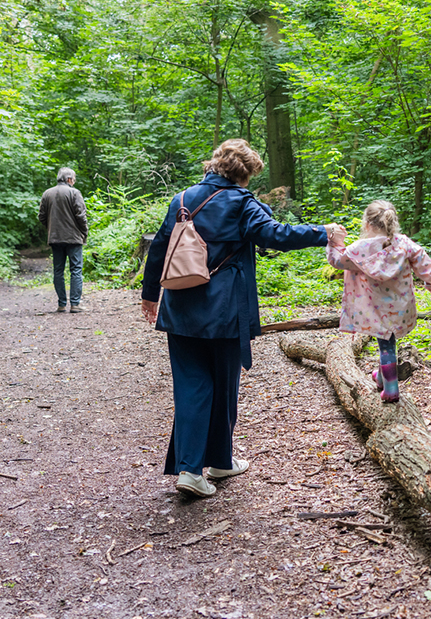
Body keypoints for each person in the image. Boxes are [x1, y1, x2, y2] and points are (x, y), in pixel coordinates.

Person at [141, 139, 346, 498]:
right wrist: (323, 232)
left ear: (215, 164)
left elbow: (160, 246)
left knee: (192, 386)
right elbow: (275, 234)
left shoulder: (183, 199)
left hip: (181, 309)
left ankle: (215, 463)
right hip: (223, 311)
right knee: (223, 385)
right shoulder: (241, 202)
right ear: (245, 173)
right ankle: (194, 470)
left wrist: (149, 296)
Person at [326, 200, 431, 403]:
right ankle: (381, 377)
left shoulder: (360, 249)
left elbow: (337, 261)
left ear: (367, 225)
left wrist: (335, 242)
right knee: (387, 340)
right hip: (399, 307)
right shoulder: (404, 244)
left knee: (386, 345)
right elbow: (425, 263)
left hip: (373, 309)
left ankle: (391, 388)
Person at [38, 167, 88, 313]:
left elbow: (41, 216)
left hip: (55, 238)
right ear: (69, 179)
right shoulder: (74, 193)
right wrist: (84, 231)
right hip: (74, 238)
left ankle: (61, 304)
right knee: (76, 270)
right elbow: (81, 216)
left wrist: (51, 228)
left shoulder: (47, 193)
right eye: (74, 178)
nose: (74, 181)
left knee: (58, 271)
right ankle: (75, 304)